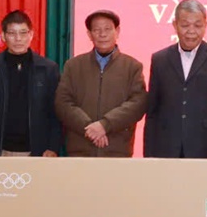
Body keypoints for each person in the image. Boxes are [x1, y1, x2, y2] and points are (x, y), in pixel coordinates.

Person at [143, 0, 207, 159]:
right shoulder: (160, 59)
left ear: (205, 25)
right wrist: (149, 154)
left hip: (205, 148)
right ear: (175, 25)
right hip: (166, 148)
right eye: (185, 25)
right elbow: (153, 111)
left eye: (198, 25)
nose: (191, 31)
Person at [56, 10, 147, 157]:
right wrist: (90, 128)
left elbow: (137, 104)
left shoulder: (132, 66)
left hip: (117, 151)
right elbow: (63, 102)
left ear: (117, 31)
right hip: (80, 150)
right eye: (97, 30)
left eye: (107, 29)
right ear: (89, 34)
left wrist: (105, 125)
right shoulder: (73, 66)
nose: (102, 34)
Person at [0, 11, 62, 157]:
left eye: (23, 33)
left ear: (31, 35)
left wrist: (53, 147)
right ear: (3, 36)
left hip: (38, 150)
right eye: (12, 33)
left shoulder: (48, 69)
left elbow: (56, 111)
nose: (18, 39)